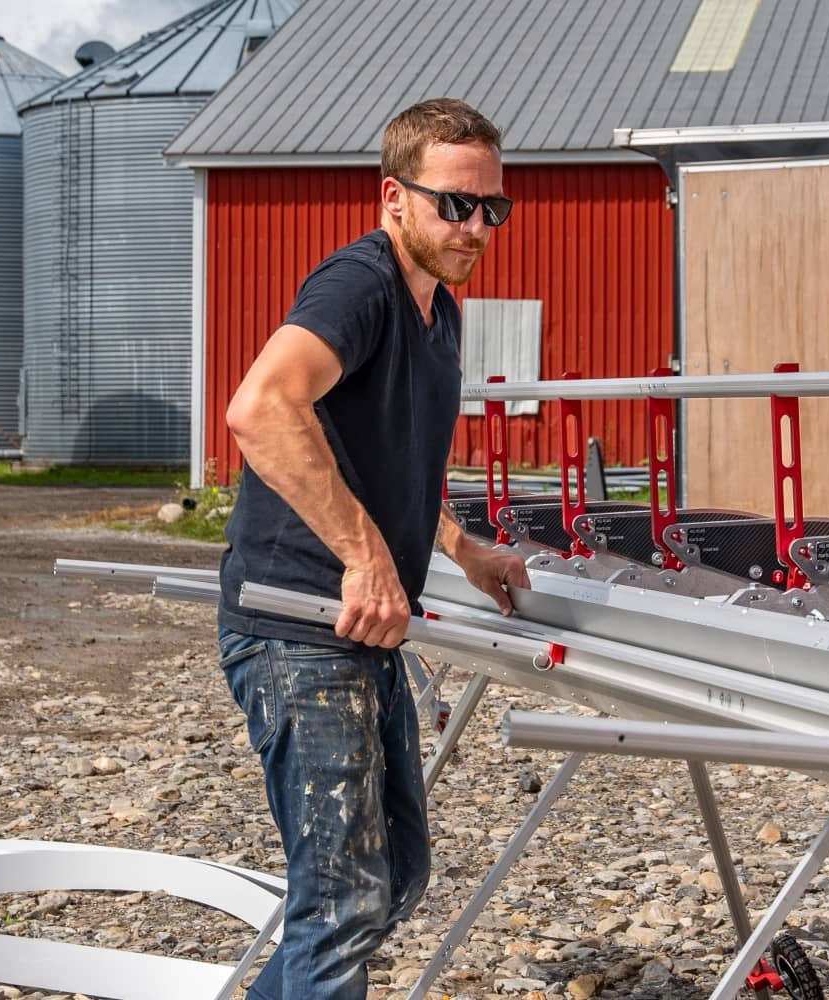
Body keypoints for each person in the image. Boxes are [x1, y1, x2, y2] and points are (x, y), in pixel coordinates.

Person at [215, 97, 531, 1000]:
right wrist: (364, 554)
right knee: (346, 898)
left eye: (491, 209)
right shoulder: (360, 286)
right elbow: (260, 408)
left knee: (391, 880)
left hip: (359, 627)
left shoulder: (441, 311)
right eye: (453, 205)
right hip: (297, 623)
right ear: (394, 198)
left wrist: (462, 548)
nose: (474, 227)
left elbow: (385, 461)